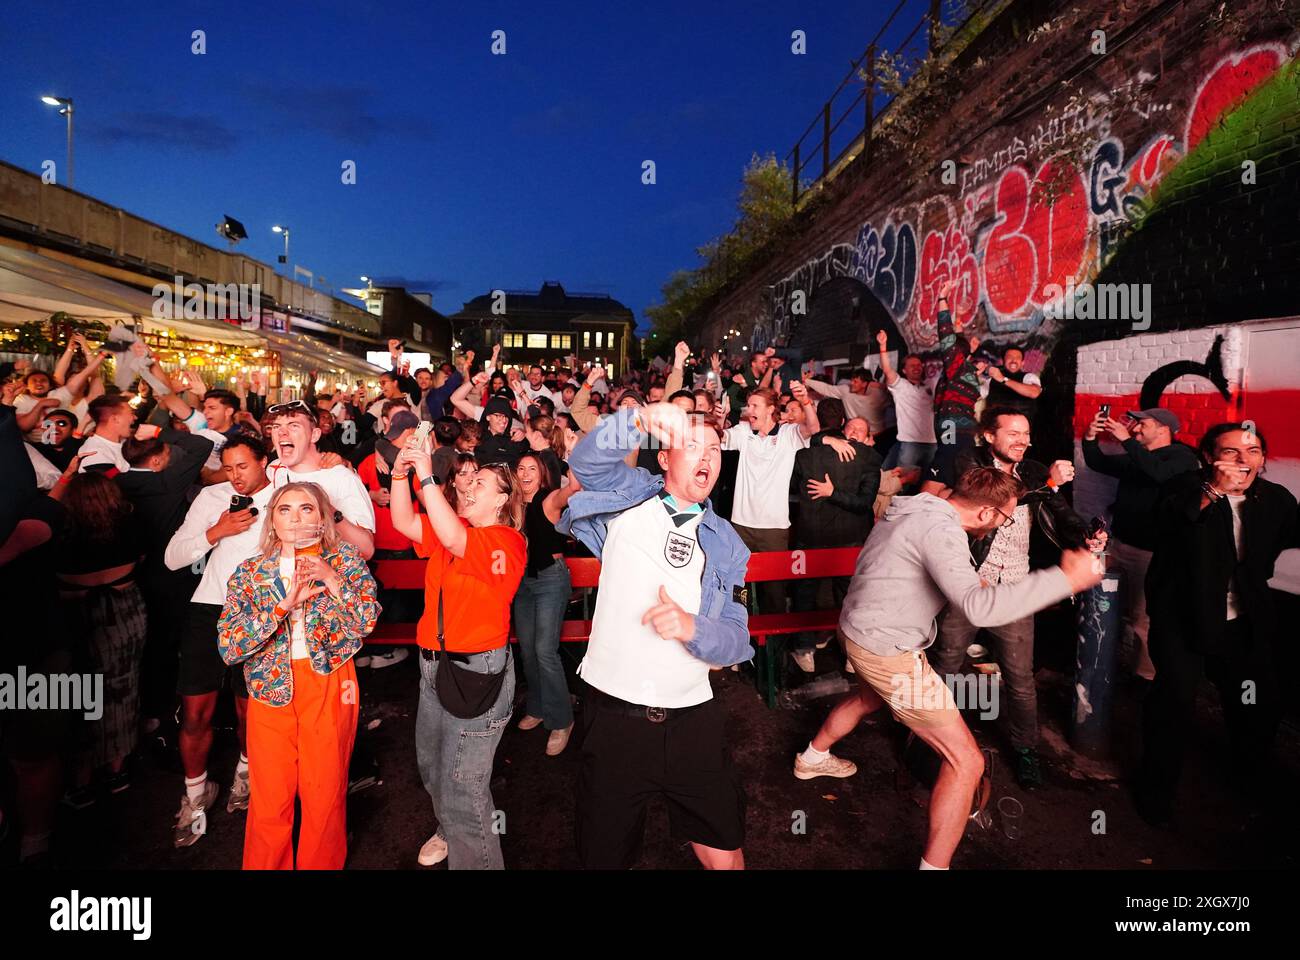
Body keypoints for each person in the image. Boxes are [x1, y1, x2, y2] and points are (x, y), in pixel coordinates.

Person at [794, 467, 1101, 869]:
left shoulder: (922, 508)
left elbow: (949, 579)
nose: (1002, 525)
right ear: (987, 514)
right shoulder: (943, 533)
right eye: (1004, 518)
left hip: (860, 633)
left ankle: (813, 757)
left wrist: (994, 588)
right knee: (967, 762)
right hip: (888, 650)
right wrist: (1065, 580)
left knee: (869, 695)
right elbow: (978, 608)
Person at [559, 403, 753, 870]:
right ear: (664, 458)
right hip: (614, 718)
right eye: (692, 445)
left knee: (725, 852)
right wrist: (641, 418)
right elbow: (585, 463)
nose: (706, 457)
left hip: (692, 719)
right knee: (603, 857)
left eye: (714, 448)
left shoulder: (727, 541)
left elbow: (737, 637)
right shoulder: (628, 495)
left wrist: (693, 627)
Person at [926, 407, 1099, 788]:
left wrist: (1085, 536)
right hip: (969, 583)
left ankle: (1025, 750)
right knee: (946, 666)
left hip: (1016, 586)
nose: (1023, 440)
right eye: (1014, 433)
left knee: (1020, 679)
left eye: (1027, 434)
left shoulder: (1034, 471)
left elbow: (1060, 511)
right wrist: (1048, 485)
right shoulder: (969, 462)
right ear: (989, 435)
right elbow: (994, 502)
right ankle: (929, 743)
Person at [1137, 423, 1298, 825]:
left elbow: (1287, 536)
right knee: (1173, 703)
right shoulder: (1184, 487)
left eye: (1254, 451)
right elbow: (1166, 525)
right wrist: (1213, 491)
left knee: (1256, 703)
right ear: (1209, 457)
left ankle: (1249, 781)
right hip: (1182, 617)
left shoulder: (1275, 498)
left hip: (1241, 618)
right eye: (1232, 452)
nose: (1244, 461)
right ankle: (1156, 793)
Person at [218, 482, 379, 869]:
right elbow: (229, 646)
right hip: (270, 690)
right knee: (271, 798)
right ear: (272, 520)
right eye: (284, 509)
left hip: (330, 684)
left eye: (306, 509)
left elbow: (367, 621)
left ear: (322, 518)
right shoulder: (251, 571)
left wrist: (331, 579)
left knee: (324, 794)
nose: (295, 518)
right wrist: (281, 606)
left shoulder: (343, 560)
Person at [388, 438, 525, 870]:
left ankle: (473, 851)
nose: (467, 486)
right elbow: (404, 520)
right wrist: (399, 473)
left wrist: (426, 474)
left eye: (479, 482)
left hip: (477, 671)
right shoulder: (458, 532)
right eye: (466, 479)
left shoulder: (506, 541)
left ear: (503, 499)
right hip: (434, 666)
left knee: (463, 785)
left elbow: (449, 533)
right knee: (432, 766)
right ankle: (451, 827)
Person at [164, 435, 272, 843]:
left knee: (250, 711)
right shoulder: (212, 497)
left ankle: (245, 774)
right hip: (209, 607)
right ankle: (195, 794)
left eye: (243, 466)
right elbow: (173, 558)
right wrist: (217, 531)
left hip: (260, 611)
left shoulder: (286, 490)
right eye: (228, 468)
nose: (235, 476)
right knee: (195, 713)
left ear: (265, 461)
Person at [1081, 407, 1199, 681]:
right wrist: (1090, 436)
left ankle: (1145, 679)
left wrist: (1127, 441)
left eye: (1141, 424)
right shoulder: (1138, 456)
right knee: (1101, 604)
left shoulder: (1181, 457)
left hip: (1149, 554)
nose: (1135, 429)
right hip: (1119, 544)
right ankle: (1101, 666)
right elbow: (1098, 462)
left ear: (1163, 428)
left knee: (1142, 620)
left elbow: (1160, 474)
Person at [54, 471, 148, 803]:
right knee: (124, 691)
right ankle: (117, 771)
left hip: (77, 620)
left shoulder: (61, 535)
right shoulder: (129, 527)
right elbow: (140, 561)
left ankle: (80, 782)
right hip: (126, 614)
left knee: (78, 698)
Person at [788, 398, 881, 673]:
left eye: (859, 431)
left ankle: (806, 650)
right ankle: (848, 654)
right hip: (848, 541)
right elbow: (865, 503)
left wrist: (831, 493)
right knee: (849, 598)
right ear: (842, 425)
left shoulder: (804, 456)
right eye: (850, 429)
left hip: (815, 537)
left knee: (810, 596)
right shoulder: (868, 459)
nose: (853, 435)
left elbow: (864, 502)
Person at [724, 383, 830, 618]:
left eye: (754, 405)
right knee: (738, 586)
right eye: (748, 404)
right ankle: (740, 634)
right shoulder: (743, 432)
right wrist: (719, 420)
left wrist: (805, 402)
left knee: (773, 591)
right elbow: (721, 437)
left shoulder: (787, 435)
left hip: (774, 528)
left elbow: (813, 428)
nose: (748, 409)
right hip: (741, 525)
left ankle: (774, 644)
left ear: (770, 409)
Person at [511, 453, 582, 754]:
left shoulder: (549, 500)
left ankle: (562, 719)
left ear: (541, 475)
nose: (526, 473)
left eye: (532, 469)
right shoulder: (510, 505)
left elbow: (574, 489)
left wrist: (573, 457)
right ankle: (539, 707)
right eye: (521, 468)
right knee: (528, 651)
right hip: (522, 581)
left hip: (551, 579)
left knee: (544, 650)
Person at [928, 280, 985, 489]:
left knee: (935, 483)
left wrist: (943, 297)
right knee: (956, 481)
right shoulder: (967, 372)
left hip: (953, 429)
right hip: (964, 432)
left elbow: (946, 333)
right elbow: (957, 340)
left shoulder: (958, 368)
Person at [876, 329, 938, 473]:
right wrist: (883, 346)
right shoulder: (900, 386)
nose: (917, 368)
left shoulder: (930, 385)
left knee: (928, 479)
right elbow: (887, 370)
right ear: (904, 370)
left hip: (932, 442)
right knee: (902, 482)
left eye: (918, 365)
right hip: (909, 443)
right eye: (912, 366)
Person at [983, 346, 1042, 421]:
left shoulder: (1029, 377)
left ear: (1022, 363)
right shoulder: (992, 379)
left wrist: (1003, 379)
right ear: (1003, 361)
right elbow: (974, 395)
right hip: (995, 424)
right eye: (1010, 357)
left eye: (1017, 358)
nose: (1013, 360)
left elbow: (1034, 393)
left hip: (1019, 425)